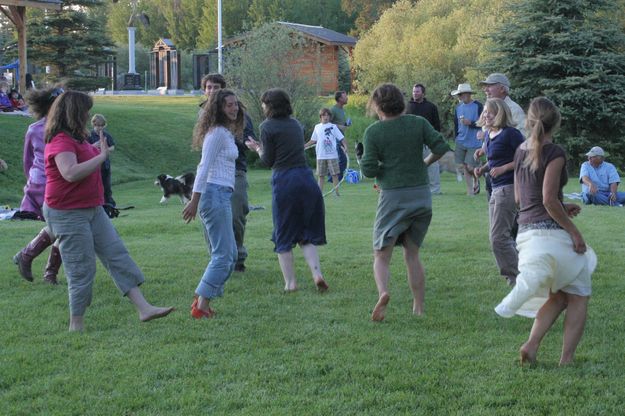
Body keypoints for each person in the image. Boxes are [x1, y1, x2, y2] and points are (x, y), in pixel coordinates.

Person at [43, 90, 173, 331]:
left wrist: (97, 150)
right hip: (68, 213)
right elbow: (70, 173)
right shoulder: (60, 140)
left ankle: (144, 309)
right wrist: (101, 156)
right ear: (74, 112)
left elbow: (84, 160)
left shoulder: (78, 138)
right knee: (82, 268)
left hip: (92, 208)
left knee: (116, 254)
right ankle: (76, 324)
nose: (89, 114)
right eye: (86, 110)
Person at [495, 97, 596, 366]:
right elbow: (548, 201)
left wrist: (563, 205)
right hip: (550, 235)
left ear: (528, 121)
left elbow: (521, 199)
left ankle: (531, 345)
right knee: (579, 293)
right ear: (557, 122)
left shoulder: (519, 151)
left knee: (559, 295)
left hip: (526, 234)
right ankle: (567, 359)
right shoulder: (555, 152)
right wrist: (575, 233)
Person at [360, 83, 451, 321]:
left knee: (381, 254)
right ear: (401, 102)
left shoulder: (374, 132)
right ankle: (418, 308)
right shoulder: (418, 123)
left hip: (393, 197)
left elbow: (369, 169)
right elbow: (441, 146)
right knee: (412, 254)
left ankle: (383, 292)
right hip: (421, 195)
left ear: (378, 106)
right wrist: (425, 163)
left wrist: (382, 168)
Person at [246, 88, 329, 292]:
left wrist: (256, 148)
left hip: (285, 180)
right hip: (306, 178)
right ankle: (317, 274)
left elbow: (268, 160)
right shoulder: (296, 124)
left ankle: (290, 283)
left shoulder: (267, 126)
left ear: (270, 106)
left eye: (264, 103)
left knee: (283, 232)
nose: (263, 106)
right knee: (305, 233)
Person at [183, 89, 244, 319]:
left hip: (221, 194)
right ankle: (201, 305)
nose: (234, 108)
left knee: (229, 254)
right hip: (213, 194)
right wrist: (194, 201)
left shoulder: (225, 132)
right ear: (218, 108)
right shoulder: (216, 133)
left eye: (235, 104)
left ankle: (203, 303)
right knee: (223, 255)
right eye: (228, 105)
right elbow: (203, 167)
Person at [199, 73, 256, 272]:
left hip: (236, 171)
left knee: (237, 214)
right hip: (212, 175)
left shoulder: (237, 112)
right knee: (212, 219)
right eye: (209, 87)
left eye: (216, 87)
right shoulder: (203, 115)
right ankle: (218, 259)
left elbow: (249, 138)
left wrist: (253, 146)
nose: (212, 91)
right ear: (204, 90)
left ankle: (237, 257)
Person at [13, 87, 64, 284]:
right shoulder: (40, 129)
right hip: (45, 185)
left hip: (54, 183)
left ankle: (30, 259)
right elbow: (28, 160)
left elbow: (27, 161)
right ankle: (41, 267)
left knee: (61, 226)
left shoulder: (65, 128)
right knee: (63, 226)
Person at [474, 99, 524, 286]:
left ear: (501, 114)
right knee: (500, 236)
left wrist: (503, 169)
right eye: (485, 111)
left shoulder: (512, 134)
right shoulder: (489, 134)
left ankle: (519, 276)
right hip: (495, 189)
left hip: (510, 188)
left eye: (491, 112)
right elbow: (494, 161)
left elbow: (526, 158)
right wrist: (483, 169)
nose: (486, 115)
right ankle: (517, 275)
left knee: (498, 238)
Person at [405, 83, 442, 194]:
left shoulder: (431, 107)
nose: (415, 93)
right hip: (412, 143)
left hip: (428, 143)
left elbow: (437, 126)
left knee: (432, 166)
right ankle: (412, 189)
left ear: (423, 93)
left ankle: (435, 190)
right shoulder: (407, 106)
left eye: (417, 91)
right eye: (414, 91)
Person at [304, 108, 346, 196]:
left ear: (330, 117)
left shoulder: (333, 127)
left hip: (332, 155)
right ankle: (319, 194)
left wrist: (345, 146)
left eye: (327, 115)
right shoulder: (317, 127)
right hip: (321, 155)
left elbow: (341, 138)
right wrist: (304, 146)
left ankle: (337, 193)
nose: (326, 117)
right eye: (324, 115)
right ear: (320, 117)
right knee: (321, 176)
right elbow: (313, 140)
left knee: (335, 175)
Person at [451, 83, 483, 195]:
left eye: (462, 94)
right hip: (461, 141)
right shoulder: (458, 108)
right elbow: (456, 124)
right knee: (464, 166)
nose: (460, 96)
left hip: (474, 141)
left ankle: (476, 179)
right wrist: (456, 137)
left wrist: (471, 123)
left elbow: (484, 123)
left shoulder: (478, 106)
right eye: (459, 95)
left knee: (470, 166)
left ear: (468, 94)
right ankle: (470, 192)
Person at [87, 114, 116, 208]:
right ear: (93, 125)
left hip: (105, 165)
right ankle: (98, 205)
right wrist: (94, 146)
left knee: (107, 186)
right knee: (95, 186)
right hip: (94, 165)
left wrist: (105, 149)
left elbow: (112, 147)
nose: (99, 128)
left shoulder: (106, 135)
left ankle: (110, 205)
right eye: (97, 126)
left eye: (101, 126)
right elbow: (85, 148)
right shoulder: (89, 135)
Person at [330, 90, 350, 180]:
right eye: (345, 97)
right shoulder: (333, 110)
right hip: (335, 138)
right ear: (339, 99)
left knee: (341, 159)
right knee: (342, 159)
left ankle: (334, 178)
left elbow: (338, 123)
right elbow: (327, 123)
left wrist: (346, 124)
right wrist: (339, 126)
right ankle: (335, 179)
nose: (347, 98)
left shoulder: (341, 109)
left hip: (341, 137)